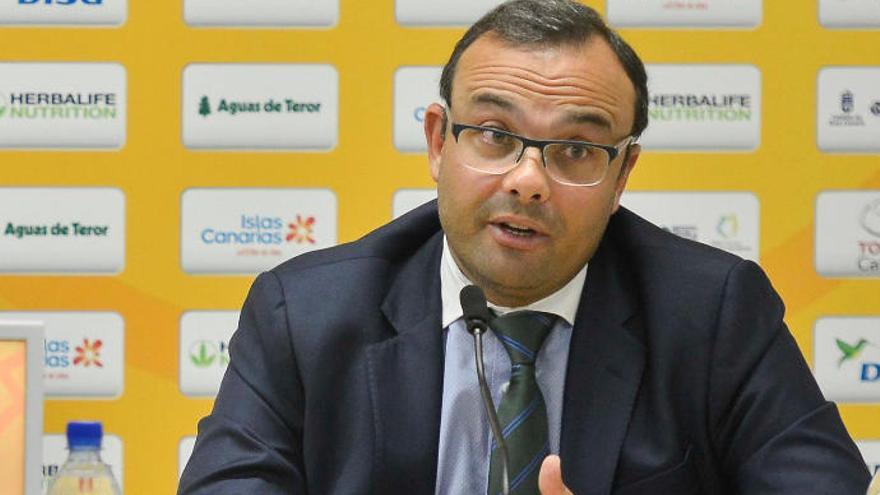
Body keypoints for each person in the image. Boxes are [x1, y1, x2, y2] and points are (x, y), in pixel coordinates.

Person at [178, 1, 871, 494]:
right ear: (436, 141)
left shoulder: (714, 315)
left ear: (622, 172)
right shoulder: (305, 313)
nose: (529, 180)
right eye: (495, 135)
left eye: (575, 148)